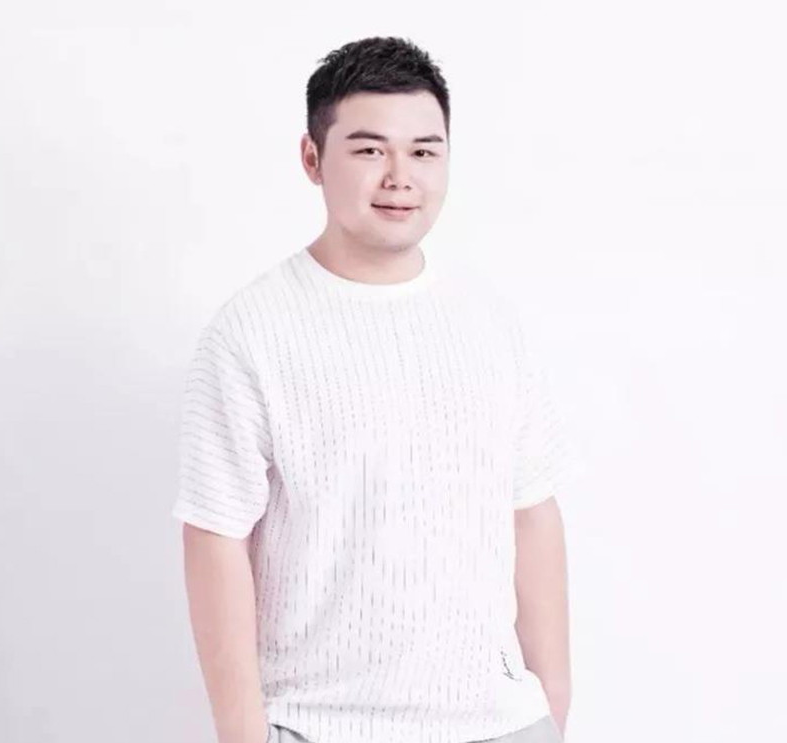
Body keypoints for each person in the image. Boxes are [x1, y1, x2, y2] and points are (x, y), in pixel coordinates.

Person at [173, 36, 576, 743]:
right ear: (312, 158)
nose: (400, 177)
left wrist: (552, 703)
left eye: (424, 151)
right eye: (369, 150)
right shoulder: (251, 332)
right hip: (319, 725)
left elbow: (531, 511)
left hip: (502, 722)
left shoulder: (490, 323)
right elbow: (214, 536)